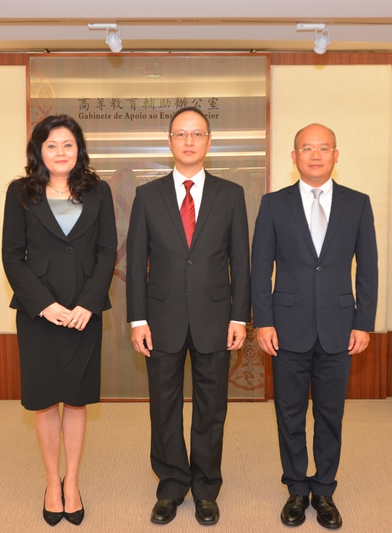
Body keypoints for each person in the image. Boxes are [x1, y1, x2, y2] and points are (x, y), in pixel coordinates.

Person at [126, 107, 251, 526]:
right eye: (181, 134)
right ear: (170, 141)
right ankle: (171, 485)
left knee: (212, 408)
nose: (189, 141)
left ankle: (205, 487)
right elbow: (136, 261)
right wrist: (137, 320)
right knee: (162, 406)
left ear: (209, 142)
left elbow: (242, 263)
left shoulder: (231, 195)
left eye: (197, 134)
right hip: (159, 319)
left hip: (216, 318)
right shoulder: (148, 196)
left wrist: (240, 317)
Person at [251, 123, 378, 529]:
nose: (316, 154)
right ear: (294, 157)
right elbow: (259, 269)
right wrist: (264, 321)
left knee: (330, 413)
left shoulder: (358, 204)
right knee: (288, 412)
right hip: (285, 327)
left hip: (340, 328)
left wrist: (364, 322)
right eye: (307, 148)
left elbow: (369, 269)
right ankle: (295, 489)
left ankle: (323, 490)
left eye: (324, 147)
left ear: (336, 155)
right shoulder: (273, 204)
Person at [2, 114, 117, 527]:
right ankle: (53, 482)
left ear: (79, 149)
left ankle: (74, 481)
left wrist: (88, 303)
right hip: (40, 314)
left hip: (85, 313)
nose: (60, 152)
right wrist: (45, 305)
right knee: (45, 399)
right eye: (51, 145)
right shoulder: (21, 192)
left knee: (77, 398)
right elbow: (12, 256)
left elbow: (107, 252)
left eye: (68, 144)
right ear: (39, 150)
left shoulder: (97, 190)